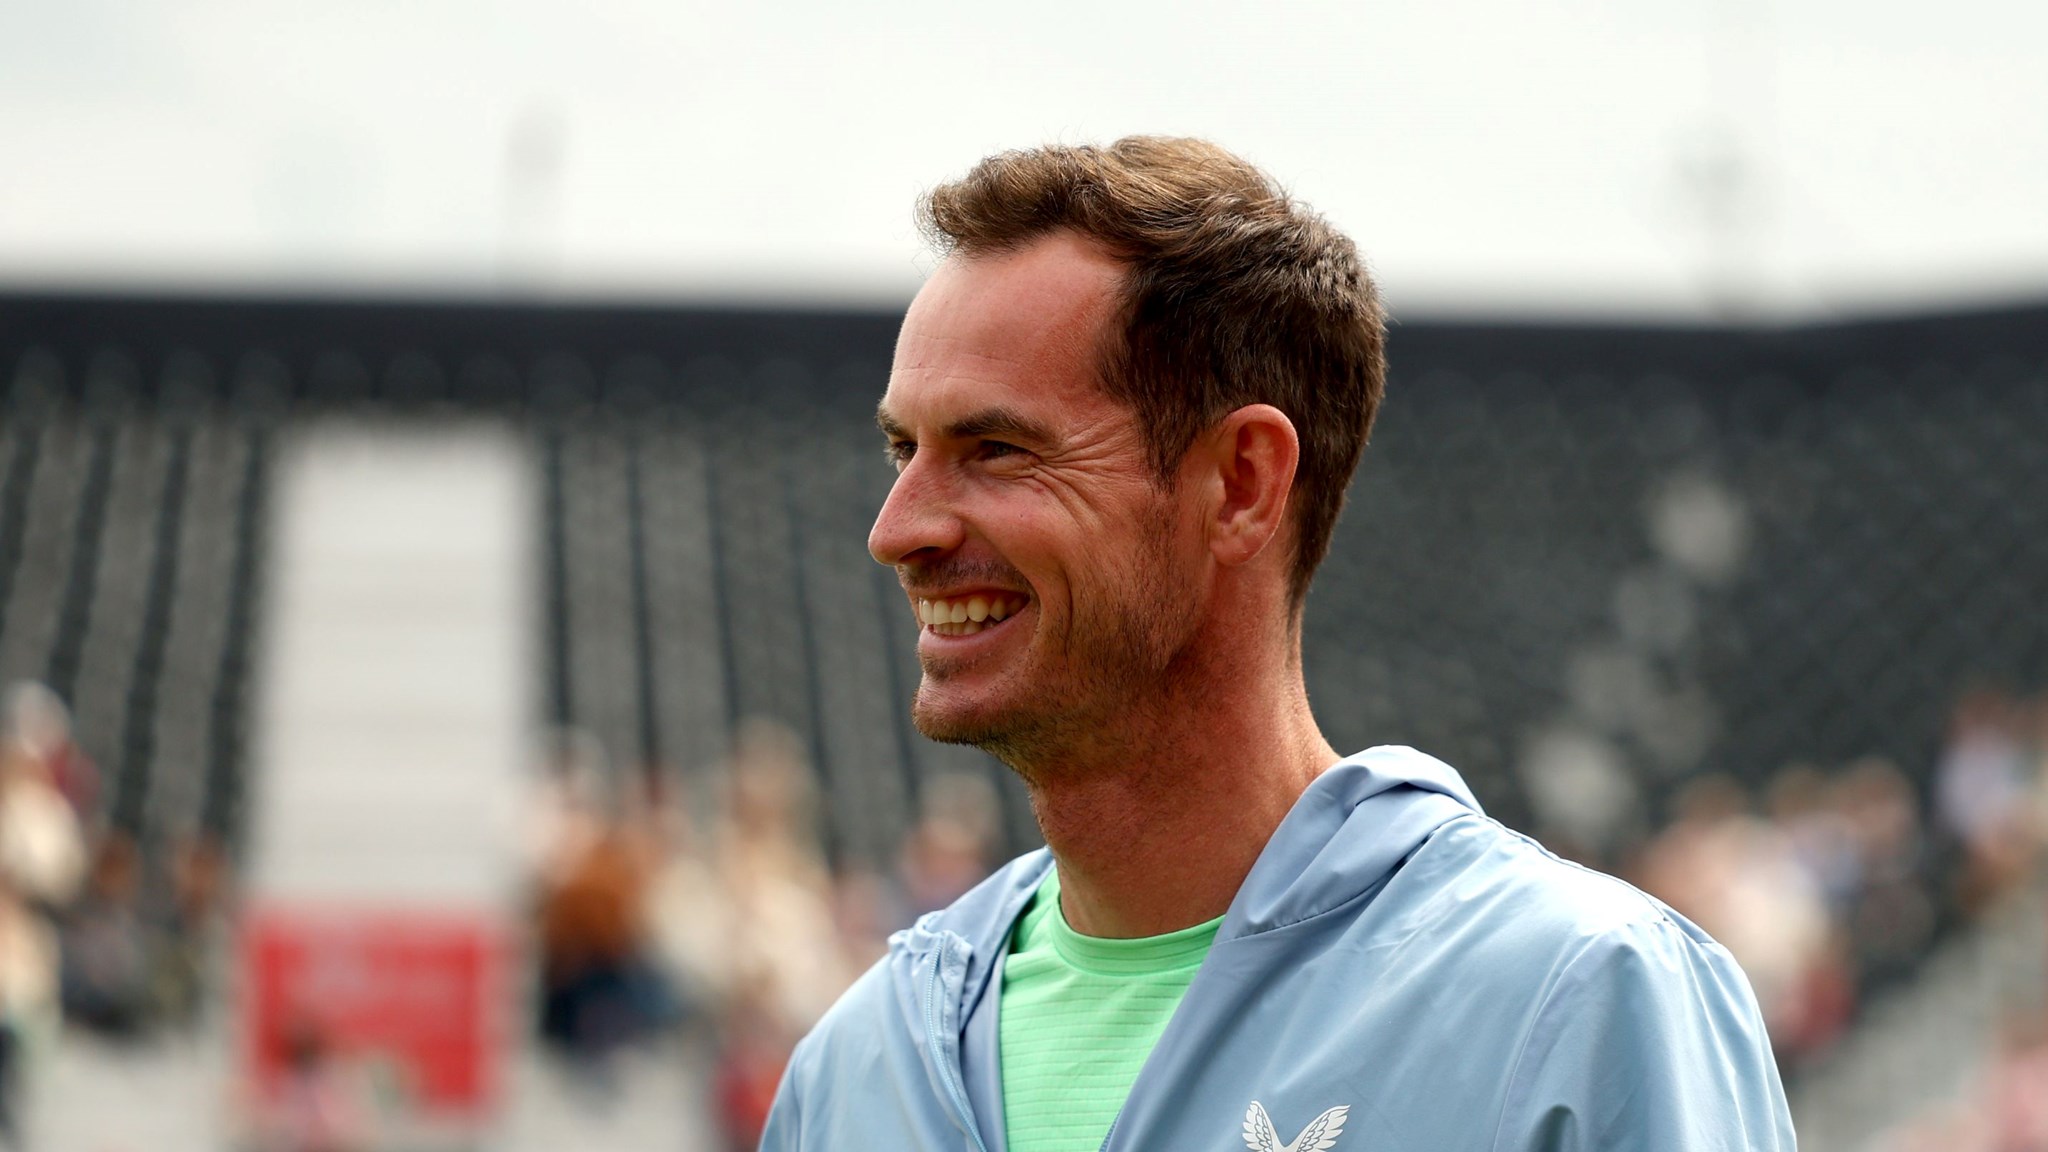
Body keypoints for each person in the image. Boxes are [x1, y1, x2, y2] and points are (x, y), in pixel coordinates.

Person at [760, 137, 1793, 1151]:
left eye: (994, 449)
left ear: (1242, 484)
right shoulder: (857, 1066)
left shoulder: (1576, 1004)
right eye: (905, 449)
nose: (897, 530)